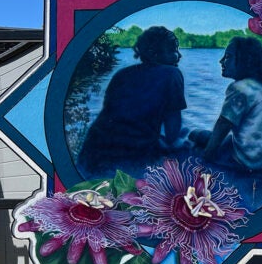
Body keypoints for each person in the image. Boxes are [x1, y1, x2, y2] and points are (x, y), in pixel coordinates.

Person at [77, 26, 187, 178]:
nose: (179, 55)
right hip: (132, 158)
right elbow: (172, 132)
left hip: (93, 152)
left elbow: (113, 115)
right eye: (174, 50)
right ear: (154, 53)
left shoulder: (122, 74)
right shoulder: (172, 74)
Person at [190, 36, 262, 172]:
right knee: (206, 136)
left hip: (253, 160)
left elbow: (223, 124)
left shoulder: (240, 88)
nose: (221, 61)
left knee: (195, 136)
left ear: (244, 60)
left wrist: (207, 157)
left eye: (227, 57)